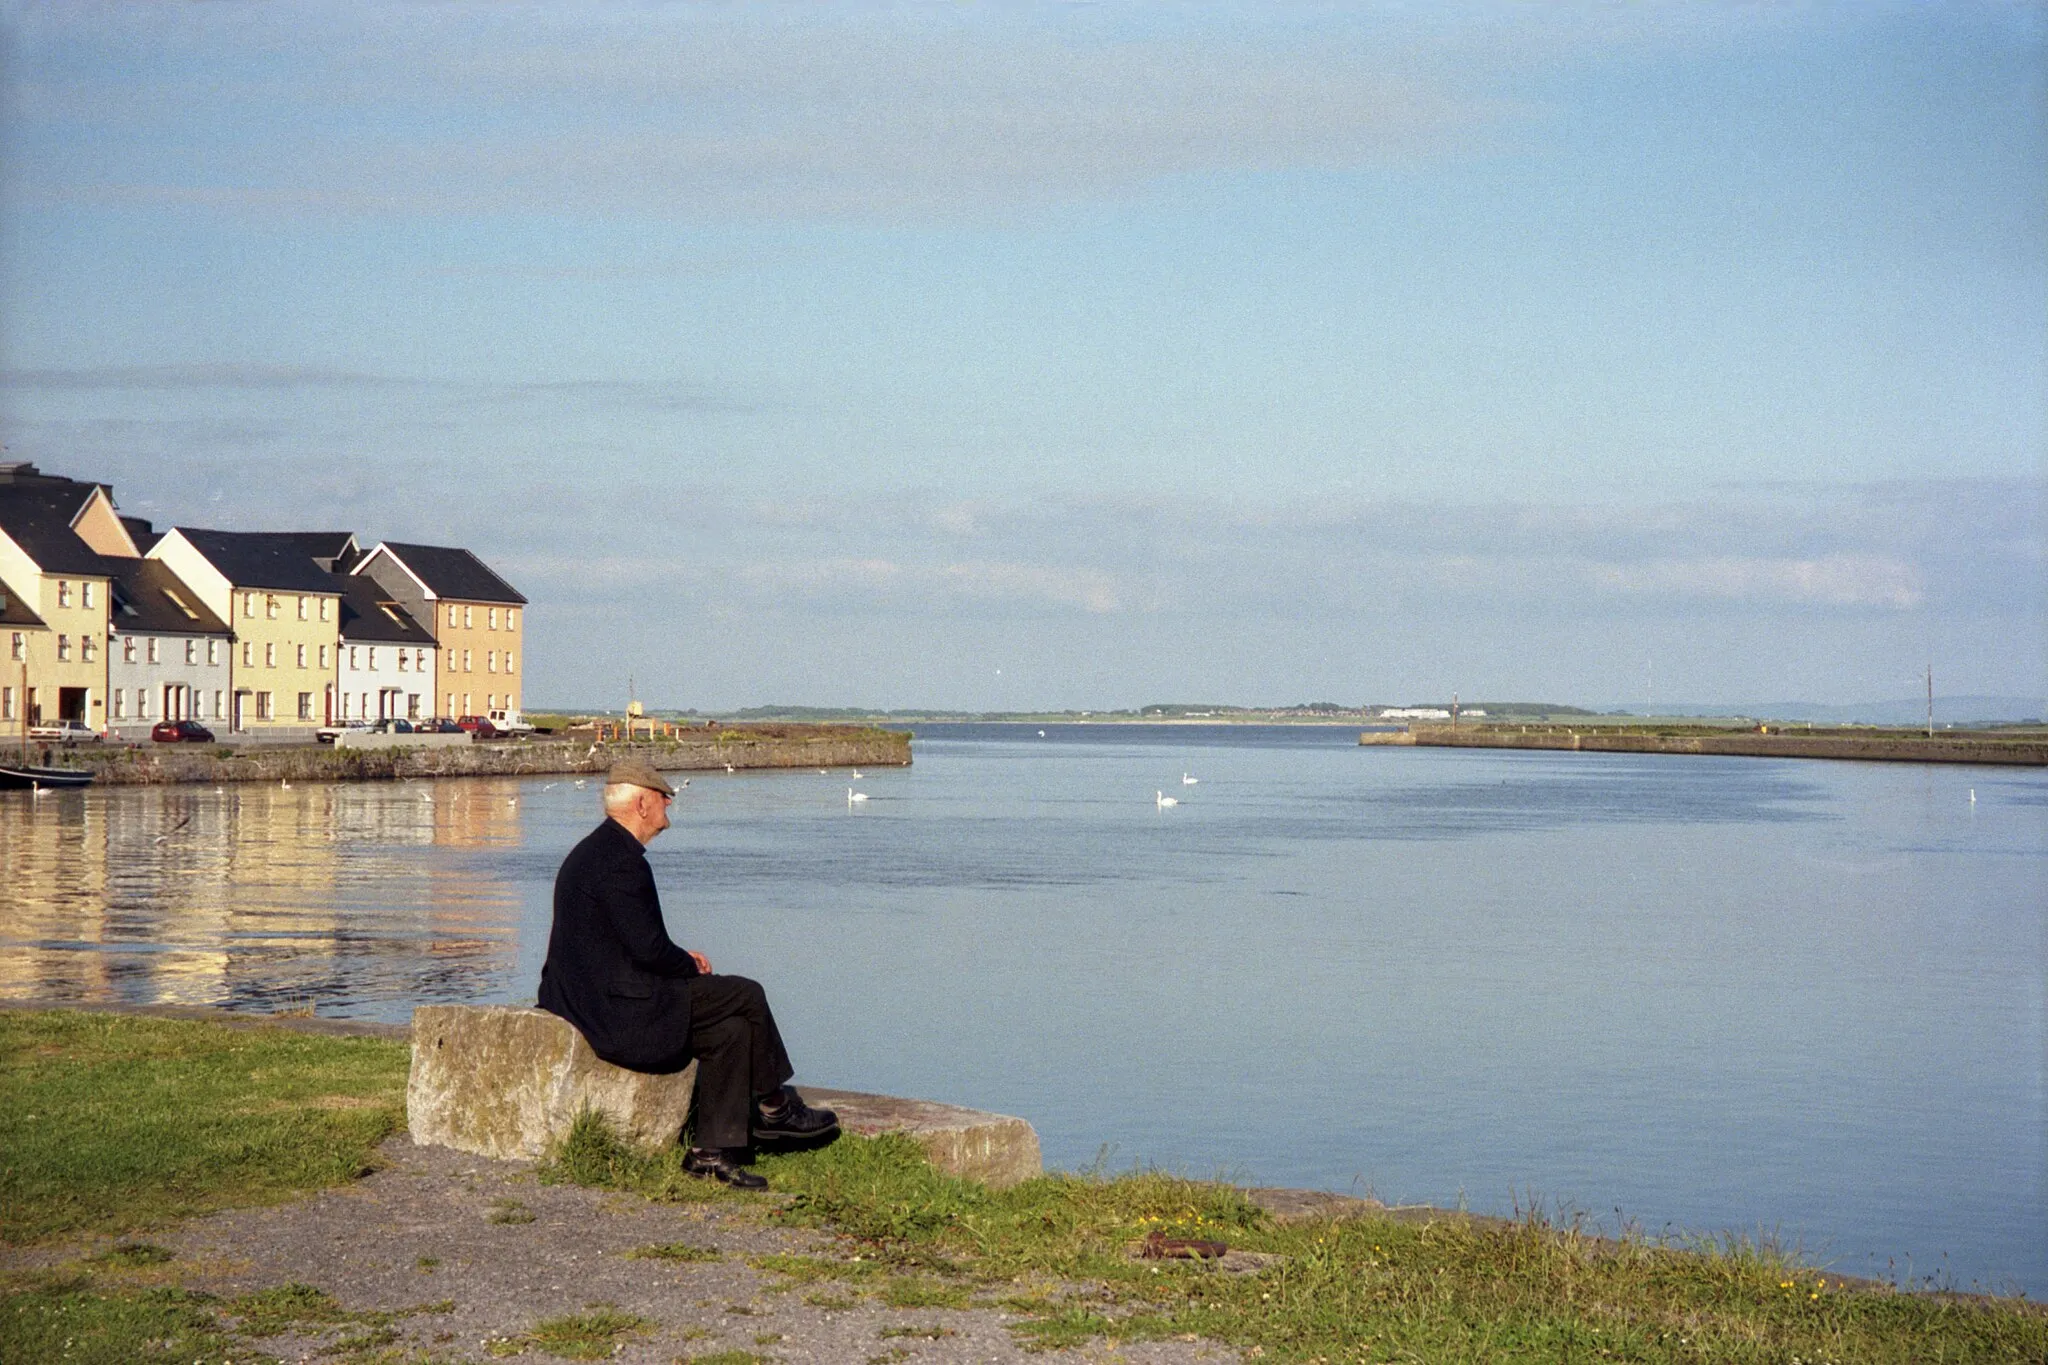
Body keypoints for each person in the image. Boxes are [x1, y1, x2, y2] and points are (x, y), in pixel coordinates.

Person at [537, 759, 837, 1188]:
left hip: (597, 999)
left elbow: (632, 946)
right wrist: (690, 964)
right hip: (616, 1013)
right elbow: (649, 950)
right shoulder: (620, 862)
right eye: (663, 797)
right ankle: (776, 1108)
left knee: (730, 1031)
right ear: (642, 803)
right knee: (746, 994)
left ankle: (710, 1154)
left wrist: (677, 963)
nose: (669, 805)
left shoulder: (597, 852)